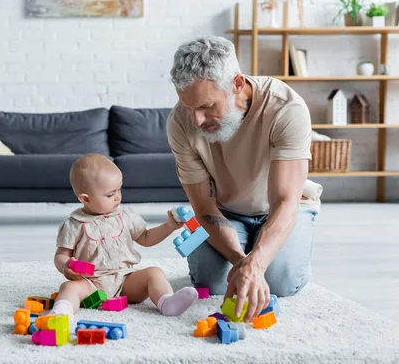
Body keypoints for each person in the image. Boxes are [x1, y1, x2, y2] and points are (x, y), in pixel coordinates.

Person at [166, 35, 323, 322]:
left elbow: (286, 200)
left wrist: (259, 263)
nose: (197, 120)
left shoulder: (286, 108)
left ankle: (285, 252)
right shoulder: (180, 122)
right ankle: (249, 250)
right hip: (225, 211)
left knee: (282, 283)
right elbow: (203, 208)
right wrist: (244, 264)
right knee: (210, 284)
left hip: (282, 208)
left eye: (207, 106)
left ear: (237, 84)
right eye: (190, 107)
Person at [49, 153, 198, 317]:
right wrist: (66, 266)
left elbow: (146, 238)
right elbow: (61, 255)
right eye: (110, 194)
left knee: (154, 273)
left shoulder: (126, 216)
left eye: (119, 190)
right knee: (68, 287)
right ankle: (61, 312)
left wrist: (169, 226)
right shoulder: (73, 224)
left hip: (126, 280)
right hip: (90, 283)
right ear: (85, 199)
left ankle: (167, 302)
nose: (117, 197)